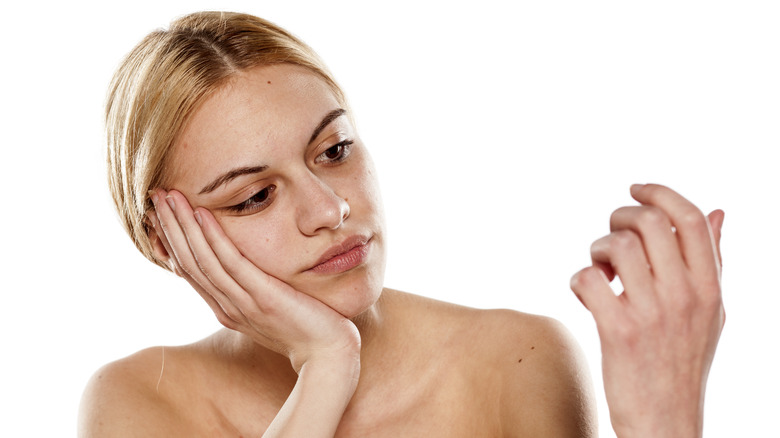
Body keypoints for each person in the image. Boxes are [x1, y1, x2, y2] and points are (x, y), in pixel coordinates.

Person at [78, 11, 725, 437]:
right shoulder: (139, 401)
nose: (329, 209)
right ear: (165, 240)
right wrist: (326, 366)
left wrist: (665, 423)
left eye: (334, 152)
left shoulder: (513, 360)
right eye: (253, 197)